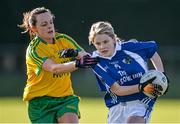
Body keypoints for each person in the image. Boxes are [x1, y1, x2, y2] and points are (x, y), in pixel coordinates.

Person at [18, 7, 98, 123]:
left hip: (65, 98)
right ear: (34, 29)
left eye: (51, 22)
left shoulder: (63, 39)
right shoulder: (34, 50)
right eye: (44, 24)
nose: (50, 26)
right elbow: (54, 69)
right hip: (40, 103)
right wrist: (77, 63)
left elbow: (86, 56)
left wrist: (77, 54)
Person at [87, 21, 169, 123]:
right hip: (116, 105)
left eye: (105, 42)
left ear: (113, 38)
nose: (102, 47)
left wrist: (161, 75)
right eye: (98, 43)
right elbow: (118, 90)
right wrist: (142, 87)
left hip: (141, 102)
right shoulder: (96, 61)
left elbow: (152, 51)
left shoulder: (131, 48)